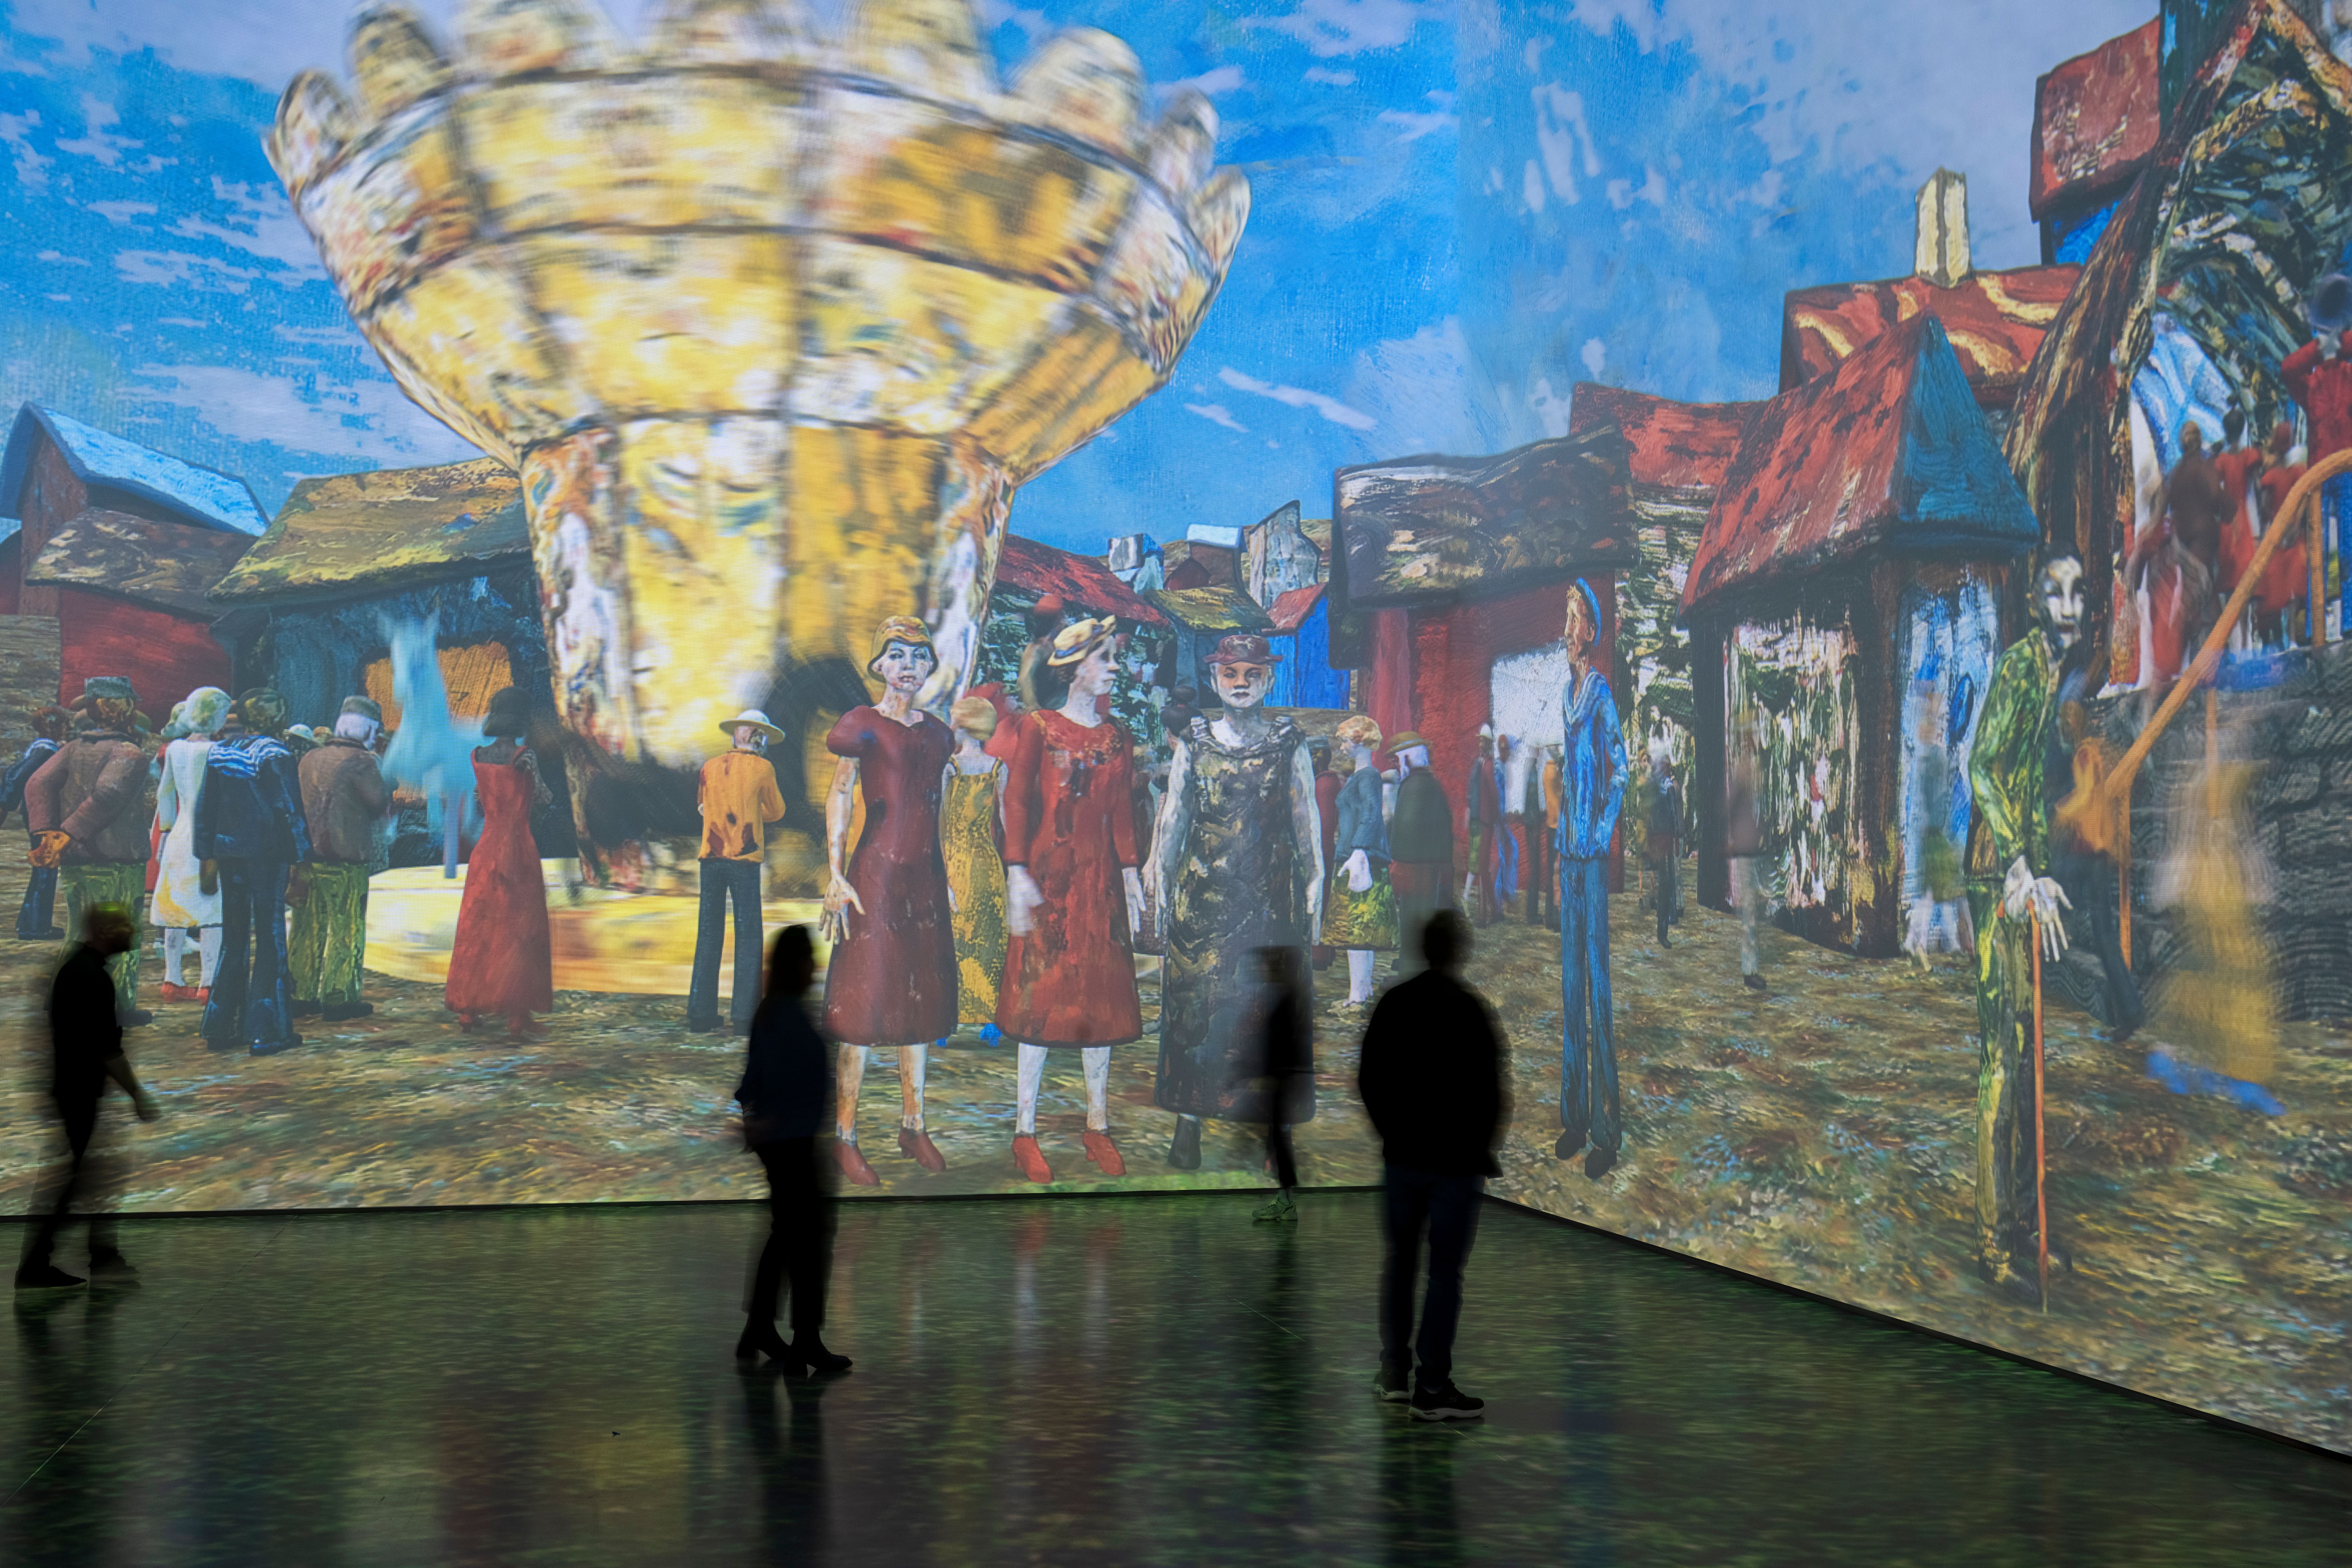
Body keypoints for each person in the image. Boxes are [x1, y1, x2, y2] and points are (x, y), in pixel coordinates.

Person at [1148, 632, 1323, 1172]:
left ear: (1268, 680)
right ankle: (1189, 1125)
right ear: (1215, 680)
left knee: (1268, 1010)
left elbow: (1305, 816)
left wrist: (1316, 876)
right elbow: (1175, 814)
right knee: (1195, 1008)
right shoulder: (1196, 744)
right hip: (1202, 904)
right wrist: (1160, 867)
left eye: (1252, 674)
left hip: (1271, 901)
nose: (1242, 684)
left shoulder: (1289, 744)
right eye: (1231, 674)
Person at [1964, 556, 2080, 1305]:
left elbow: (2039, 781)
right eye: (2055, 592)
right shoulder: (2018, 668)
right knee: (2002, 1062)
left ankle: (2029, 1227)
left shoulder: (2056, 672)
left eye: (2078, 593)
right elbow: (1982, 767)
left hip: (2029, 877)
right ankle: (1993, 1239)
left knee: (2032, 1051)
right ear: (2036, 603)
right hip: (1994, 878)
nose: (2068, 604)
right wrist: (2015, 863)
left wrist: (2042, 868)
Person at [996, 618, 1145, 1182]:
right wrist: (1016, 871)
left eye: (1113, 657)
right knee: (1041, 1000)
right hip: (1047, 879)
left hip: (1099, 884)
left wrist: (1130, 875)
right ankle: (1024, 1131)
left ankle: (1097, 1124)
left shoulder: (1117, 737)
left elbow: (1122, 815)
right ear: (1073, 667)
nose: (1113, 667)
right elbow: (1015, 802)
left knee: (1098, 1002)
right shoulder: (1036, 727)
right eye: (1103, 657)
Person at [822, 617, 957, 1184]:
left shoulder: (937, 734)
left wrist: (946, 868)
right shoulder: (862, 726)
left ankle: (912, 1123)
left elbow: (940, 801)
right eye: (897, 655)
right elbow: (840, 793)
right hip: (873, 876)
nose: (908, 666)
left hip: (923, 880)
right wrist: (834, 872)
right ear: (879, 665)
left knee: (919, 1006)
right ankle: (845, 1135)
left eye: (919, 656)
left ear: (930, 667)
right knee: (864, 1007)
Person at [1358, 911, 1506, 1422]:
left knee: (1400, 1264)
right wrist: (1481, 1146)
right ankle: (1433, 1385)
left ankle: (1394, 1374)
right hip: (1456, 1165)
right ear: (1459, 951)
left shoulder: (1396, 1003)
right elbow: (1492, 1090)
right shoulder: (1470, 1010)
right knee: (1445, 1273)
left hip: (1404, 1158)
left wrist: (1390, 1133)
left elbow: (1370, 1077)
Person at [17, 903, 160, 1290]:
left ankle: (91, 1255)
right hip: (79, 1090)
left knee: (88, 1175)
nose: (132, 930)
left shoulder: (80, 970)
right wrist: (138, 1094)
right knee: (80, 1178)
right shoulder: (91, 978)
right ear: (103, 931)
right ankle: (49, 1262)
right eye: (123, 926)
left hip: (75, 1088)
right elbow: (107, 1048)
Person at [734, 925, 852, 1375]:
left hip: (787, 1141)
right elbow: (773, 1081)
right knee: (806, 1240)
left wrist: (755, 1122)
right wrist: (765, 1124)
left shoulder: (776, 1011)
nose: (815, 968)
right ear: (795, 964)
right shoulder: (783, 1015)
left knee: (788, 1235)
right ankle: (805, 1340)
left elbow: (754, 1082)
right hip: (792, 1143)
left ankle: (761, 1329)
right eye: (809, 958)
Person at [26, 677, 154, 1025]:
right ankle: (116, 1009)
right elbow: (108, 795)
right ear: (126, 709)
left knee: (78, 930)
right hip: (118, 858)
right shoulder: (131, 753)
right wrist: (67, 833)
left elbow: (38, 783)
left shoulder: (72, 748)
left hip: (77, 859)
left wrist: (48, 834)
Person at [1554, 579, 1627, 1180]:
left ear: (1590, 631)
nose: (1565, 625)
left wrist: (1601, 832)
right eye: (1565, 614)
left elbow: (1620, 770)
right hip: (1565, 858)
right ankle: (1573, 1118)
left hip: (1591, 858)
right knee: (1569, 984)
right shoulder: (1565, 691)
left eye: (1573, 615)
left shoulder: (1600, 693)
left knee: (1598, 988)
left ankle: (1606, 1130)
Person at [446, 687, 554, 1040]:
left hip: (486, 849)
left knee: (479, 926)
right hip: (519, 848)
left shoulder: (478, 756)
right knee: (519, 931)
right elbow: (544, 799)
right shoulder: (524, 756)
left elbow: (482, 804)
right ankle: (517, 1014)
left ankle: (469, 1009)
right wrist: (533, 774)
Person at [292, 696, 392, 1023]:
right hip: (346, 856)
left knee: (307, 927)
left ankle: (300, 993)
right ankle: (339, 997)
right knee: (346, 928)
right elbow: (378, 804)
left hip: (309, 855)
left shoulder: (310, 757)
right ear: (369, 729)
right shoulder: (362, 761)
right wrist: (388, 776)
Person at [689, 707, 788, 1035]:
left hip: (711, 856)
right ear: (759, 739)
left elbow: (702, 807)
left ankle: (701, 1015)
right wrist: (751, 811)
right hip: (744, 860)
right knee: (748, 936)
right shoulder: (763, 768)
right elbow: (777, 811)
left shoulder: (709, 767)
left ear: (736, 735)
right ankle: (745, 1017)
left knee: (708, 934)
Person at [2130, 420, 2233, 688]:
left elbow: (2158, 514)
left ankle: (2199, 670)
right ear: (2196, 442)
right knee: (2204, 611)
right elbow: (2217, 498)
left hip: (2187, 549)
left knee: (2197, 609)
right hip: (2196, 549)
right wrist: (2229, 507)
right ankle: (2206, 672)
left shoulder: (2175, 475)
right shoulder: (2202, 468)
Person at [152, 687, 228, 1002]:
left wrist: (167, 830)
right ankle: (207, 982)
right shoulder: (220, 752)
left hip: (180, 835)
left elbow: (165, 793)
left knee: (175, 908)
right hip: (210, 836)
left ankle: (172, 978)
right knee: (211, 909)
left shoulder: (175, 750)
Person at [940, 695, 1009, 1042]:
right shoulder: (952, 768)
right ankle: (949, 1015)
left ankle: (987, 1017)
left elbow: (1008, 824)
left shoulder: (984, 768)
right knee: (959, 937)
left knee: (986, 936)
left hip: (973, 862)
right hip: (966, 861)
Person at [1324, 714, 1396, 1007]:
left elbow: (1371, 813)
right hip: (1357, 855)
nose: (1341, 747)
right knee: (1360, 928)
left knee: (1356, 928)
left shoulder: (1368, 777)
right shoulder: (1361, 776)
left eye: (1345, 741)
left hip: (1359, 858)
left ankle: (1357, 992)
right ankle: (1362, 990)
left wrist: (1359, 851)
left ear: (1359, 741)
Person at [1248, 945, 1312, 1221]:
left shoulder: (1286, 1000)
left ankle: (1286, 1199)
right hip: (1283, 1080)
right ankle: (1285, 1196)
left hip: (1282, 1081)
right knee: (1279, 1138)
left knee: (1280, 1140)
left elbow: (1284, 1044)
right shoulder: (1288, 998)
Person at [1386, 732, 1453, 976]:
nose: (1394, 765)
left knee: (1412, 917)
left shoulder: (1413, 786)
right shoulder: (1430, 783)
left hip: (1413, 868)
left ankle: (1410, 966)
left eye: (1396, 760)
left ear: (1407, 759)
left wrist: (1395, 860)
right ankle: (1412, 961)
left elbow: (1406, 829)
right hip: (1429, 867)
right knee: (1420, 915)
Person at [4, 705, 70, 940]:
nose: (68, 728)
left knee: (44, 867)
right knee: (45, 867)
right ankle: (35, 926)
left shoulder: (44, 750)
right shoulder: (44, 752)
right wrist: (7, 803)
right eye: (63, 724)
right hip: (43, 817)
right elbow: (17, 776)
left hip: (39, 815)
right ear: (52, 726)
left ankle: (31, 923)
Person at [1726, 714, 1767, 994]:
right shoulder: (1743, 768)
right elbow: (1734, 806)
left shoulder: (1752, 767)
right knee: (1749, 913)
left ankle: (1751, 967)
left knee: (1753, 911)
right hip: (1746, 844)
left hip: (1751, 843)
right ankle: (1749, 969)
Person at [1644, 737, 1681, 947]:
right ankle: (1662, 929)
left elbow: (1674, 814)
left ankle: (1663, 930)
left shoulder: (1667, 787)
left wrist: (1675, 837)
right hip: (1658, 840)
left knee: (1667, 884)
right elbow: (1648, 817)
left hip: (1666, 840)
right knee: (1662, 884)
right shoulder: (1652, 786)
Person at [1015, 593, 1069, 715]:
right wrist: (1034, 709)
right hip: (1045, 708)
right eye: (1062, 617)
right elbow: (1024, 680)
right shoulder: (1036, 649)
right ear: (1059, 620)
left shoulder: (1063, 645)